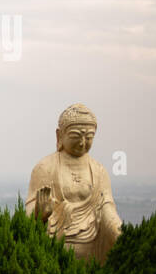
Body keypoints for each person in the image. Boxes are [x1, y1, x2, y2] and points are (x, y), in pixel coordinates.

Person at [25, 103, 122, 263]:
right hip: (55, 247)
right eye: (76, 136)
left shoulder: (99, 171)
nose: (83, 143)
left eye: (89, 137)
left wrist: (117, 231)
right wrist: (39, 213)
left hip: (93, 246)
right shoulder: (44, 168)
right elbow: (27, 214)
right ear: (59, 136)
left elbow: (107, 208)